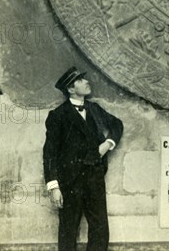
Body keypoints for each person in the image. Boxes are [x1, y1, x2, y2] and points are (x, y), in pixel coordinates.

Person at [43, 67, 123, 251]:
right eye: (80, 80)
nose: (86, 82)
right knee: (68, 230)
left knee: (100, 229)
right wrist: (54, 186)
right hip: (69, 182)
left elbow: (117, 124)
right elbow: (49, 152)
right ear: (71, 89)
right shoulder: (58, 115)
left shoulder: (94, 109)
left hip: (94, 178)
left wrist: (107, 144)